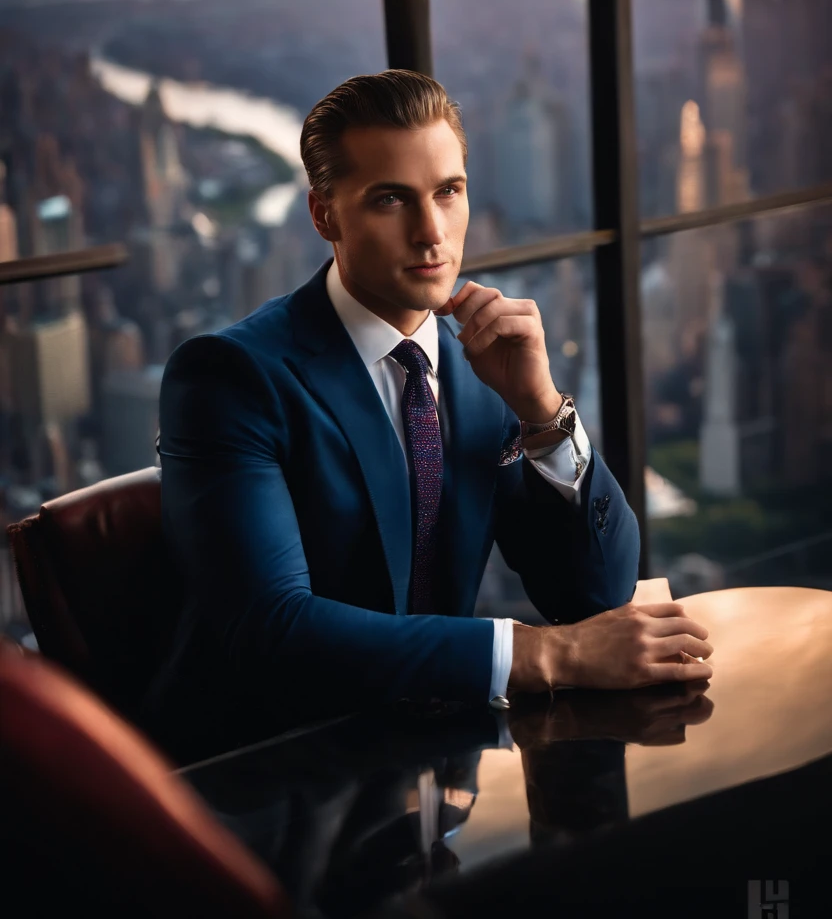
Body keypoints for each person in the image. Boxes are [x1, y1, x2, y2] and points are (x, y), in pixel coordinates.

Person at [145, 71, 712, 750]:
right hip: (264, 782)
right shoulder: (230, 377)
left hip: (437, 769)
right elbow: (273, 631)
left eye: (449, 192)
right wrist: (545, 655)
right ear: (325, 215)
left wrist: (541, 410)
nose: (430, 232)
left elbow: (596, 595)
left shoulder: (480, 369)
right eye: (390, 200)